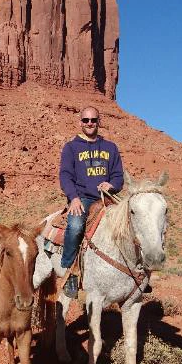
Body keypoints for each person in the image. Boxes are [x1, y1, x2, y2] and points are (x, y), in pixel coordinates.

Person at [59, 106, 124, 298]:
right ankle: (70, 273)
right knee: (76, 225)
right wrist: (74, 198)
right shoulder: (71, 147)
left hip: (108, 199)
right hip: (84, 199)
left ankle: (138, 275)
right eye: (86, 120)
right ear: (80, 122)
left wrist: (111, 185)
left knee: (132, 222)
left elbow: (119, 176)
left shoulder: (110, 148)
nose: (89, 124)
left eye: (93, 120)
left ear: (98, 122)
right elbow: (65, 176)